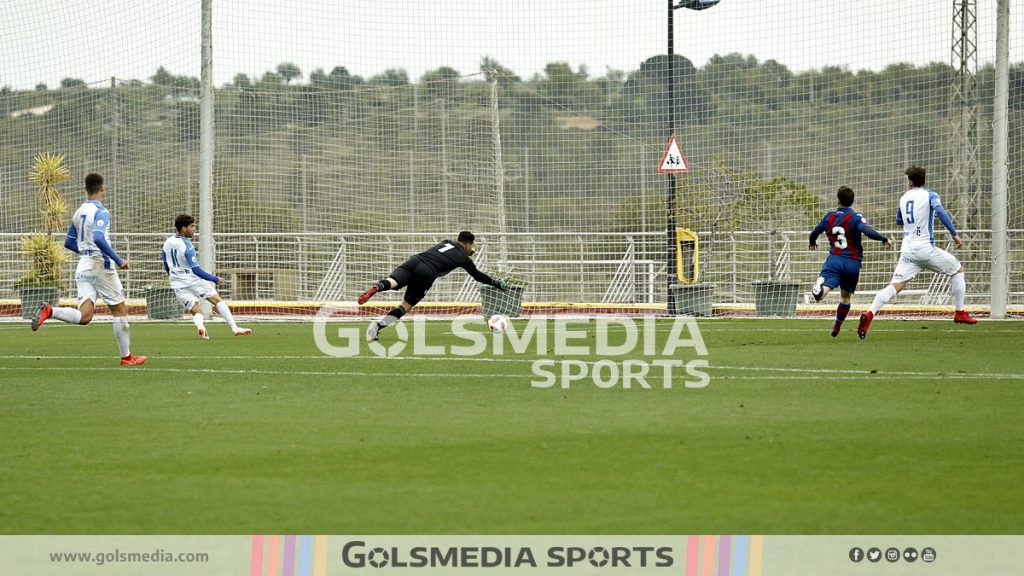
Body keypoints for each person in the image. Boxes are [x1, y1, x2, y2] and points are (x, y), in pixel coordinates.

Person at [31, 173, 147, 365]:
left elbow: (68, 242)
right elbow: (99, 239)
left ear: (85, 189)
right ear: (102, 188)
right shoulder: (101, 211)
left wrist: (85, 251)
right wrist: (118, 260)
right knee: (120, 310)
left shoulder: (79, 212)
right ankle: (127, 358)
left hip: (83, 265)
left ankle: (51, 311)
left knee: (84, 317)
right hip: (100, 265)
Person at [858, 166, 977, 338]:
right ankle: (959, 312)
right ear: (924, 179)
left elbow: (899, 220)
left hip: (907, 251)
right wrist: (955, 235)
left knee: (894, 287)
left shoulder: (904, 197)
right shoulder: (930, 195)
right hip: (925, 249)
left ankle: (869, 314)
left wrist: (921, 216)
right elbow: (941, 211)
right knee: (958, 271)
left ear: (910, 181)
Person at [358, 231, 508, 340]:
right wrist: (495, 283)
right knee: (406, 305)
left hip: (415, 260)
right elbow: (478, 276)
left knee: (393, 282)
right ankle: (376, 328)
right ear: (469, 244)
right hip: (427, 272)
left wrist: (466, 252)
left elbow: (452, 252)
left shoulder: (446, 242)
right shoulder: (464, 258)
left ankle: (377, 287)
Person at [809, 186, 892, 337]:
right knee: (846, 297)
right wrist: (883, 239)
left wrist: (812, 242)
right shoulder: (855, 218)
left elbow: (814, 233)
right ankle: (837, 325)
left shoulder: (829, 217)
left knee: (821, 294)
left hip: (835, 260)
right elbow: (867, 231)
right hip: (852, 264)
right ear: (852, 201)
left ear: (838, 200)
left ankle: (820, 290)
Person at [161, 214, 252, 339]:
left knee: (197, 312)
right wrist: (215, 279)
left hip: (177, 284)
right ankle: (235, 328)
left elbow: (166, 266)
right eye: (192, 226)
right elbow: (197, 270)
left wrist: (175, 277)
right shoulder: (188, 246)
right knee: (217, 301)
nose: (194, 229)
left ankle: (200, 328)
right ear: (183, 228)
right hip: (193, 280)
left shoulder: (167, 242)